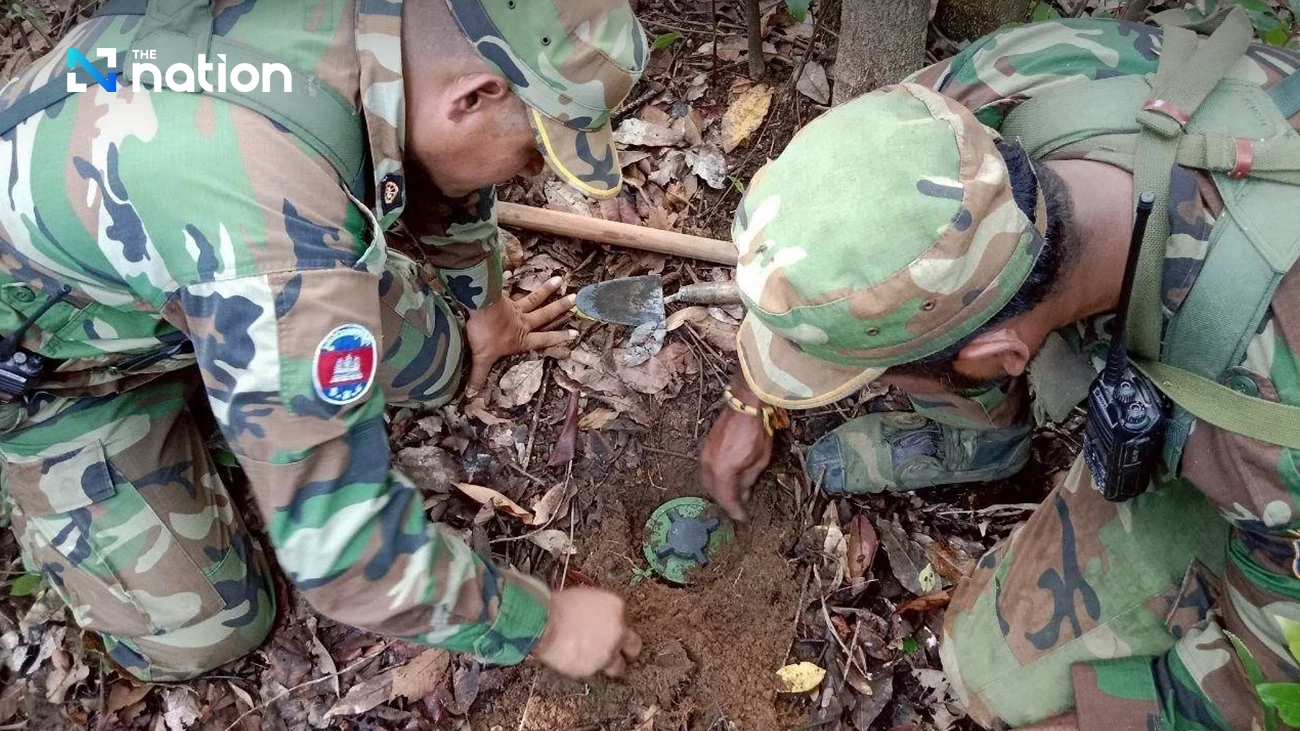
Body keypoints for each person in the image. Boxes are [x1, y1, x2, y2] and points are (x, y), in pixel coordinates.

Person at [0, 0, 644, 683]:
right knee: (211, 629)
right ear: (476, 95)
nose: (526, 171)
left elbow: (439, 167)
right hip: (57, 377)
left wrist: (484, 308)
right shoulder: (275, 240)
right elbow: (344, 555)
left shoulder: (391, 36)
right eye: (533, 149)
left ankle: (227, 368)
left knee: (438, 360)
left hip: (158, 258)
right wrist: (543, 622)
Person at [700, 7, 1300, 730]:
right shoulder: (992, 100)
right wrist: (752, 393)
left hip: (1262, 447)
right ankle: (985, 443)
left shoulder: (1272, 428)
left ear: (1004, 357)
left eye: (882, 376)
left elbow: (1271, 683)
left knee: (994, 675)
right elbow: (846, 228)